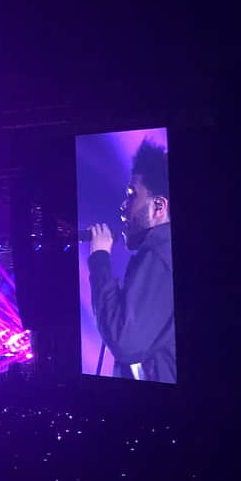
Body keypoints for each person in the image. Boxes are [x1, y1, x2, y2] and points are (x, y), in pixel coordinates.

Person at [87, 138, 175, 383]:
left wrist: (100, 259)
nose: (123, 207)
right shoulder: (161, 252)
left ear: (158, 206)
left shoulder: (159, 253)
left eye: (131, 196)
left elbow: (125, 342)